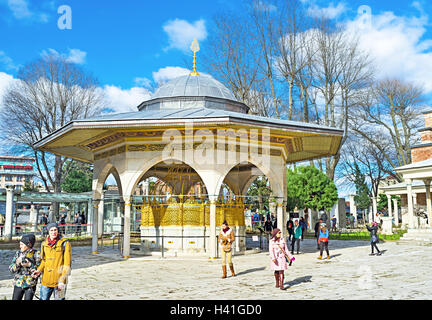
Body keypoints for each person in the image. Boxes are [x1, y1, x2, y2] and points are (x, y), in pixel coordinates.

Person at [31, 222, 72, 300]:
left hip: (60, 281)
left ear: (58, 231)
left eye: (55, 230)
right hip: (46, 281)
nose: (54, 232)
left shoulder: (65, 243)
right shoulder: (44, 243)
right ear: (48, 232)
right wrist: (39, 270)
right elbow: (44, 260)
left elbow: (67, 264)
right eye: (51, 230)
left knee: (60, 299)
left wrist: (62, 280)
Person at [9, 234, 40, 300]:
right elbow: (11, 269)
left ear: (29, 244)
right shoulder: (18, 253)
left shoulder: (36, 254)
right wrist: (17, 264)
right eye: (20, 244)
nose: (20, 246)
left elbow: (39, 270)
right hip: (18, 283)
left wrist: (29, 265)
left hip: (30, 284)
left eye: (22, 244)